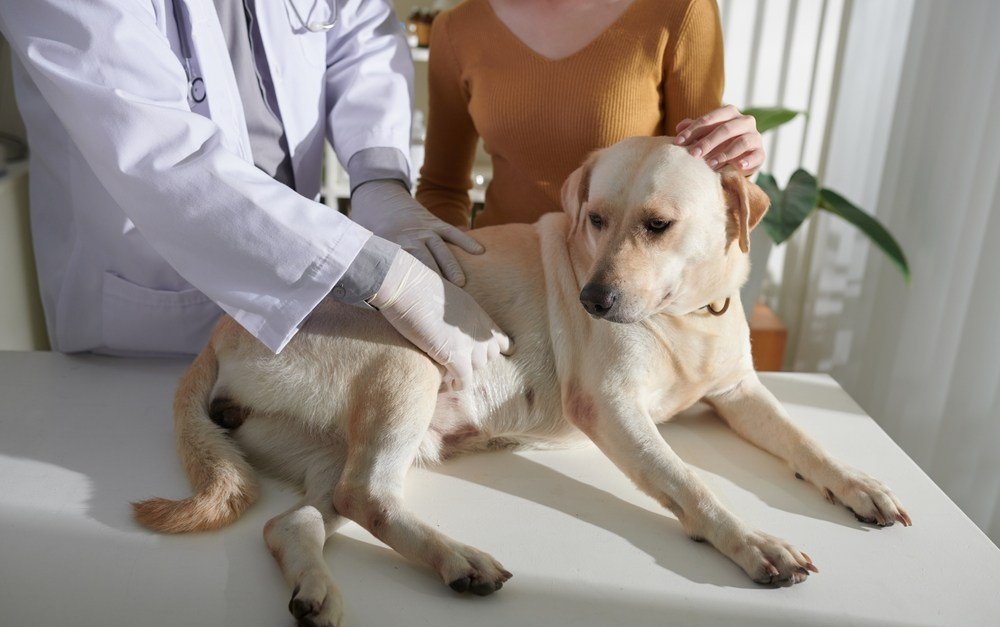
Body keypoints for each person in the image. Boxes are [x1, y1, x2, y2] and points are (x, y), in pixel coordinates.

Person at [0, 0, 508, 390]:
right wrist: (379, 274)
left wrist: (379, 179)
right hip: (144, 335)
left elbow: (359, 31)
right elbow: (160, 155)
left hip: (298, 313)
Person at [416, 0, 765, 229]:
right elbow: (440, 190)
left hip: (621, 294)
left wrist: (738, 160)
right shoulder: (457, 29)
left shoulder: (680, 9)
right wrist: (455, 278)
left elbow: (700, 179)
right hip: (504, 286)